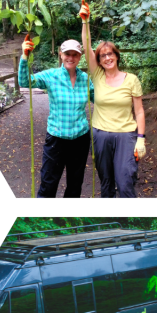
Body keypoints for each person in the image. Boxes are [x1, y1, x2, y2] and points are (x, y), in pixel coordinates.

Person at [79, 1, 145, 198]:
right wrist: (85, 22)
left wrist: (141, 138)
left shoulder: (131, 79)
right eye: (102, 56)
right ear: (99, 61)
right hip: (100, 135)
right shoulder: (97, 76)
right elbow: (86, 47)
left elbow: (139, 111)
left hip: (126, 135)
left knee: (125, 181)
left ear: (116, 56)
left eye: (110, 54)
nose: (107, 58)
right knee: (106, 183)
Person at [17, 35, 94, 198]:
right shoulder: (51, 76)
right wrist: (24, 56)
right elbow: (24, 81)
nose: (71, 58)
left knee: (75, 186)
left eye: (75, 54)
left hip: (80, 139)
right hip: (56, 139)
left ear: (80, 56)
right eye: (67, 54)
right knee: (48, 184)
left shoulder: (85, 79)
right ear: (61, 54)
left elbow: (100, 99)